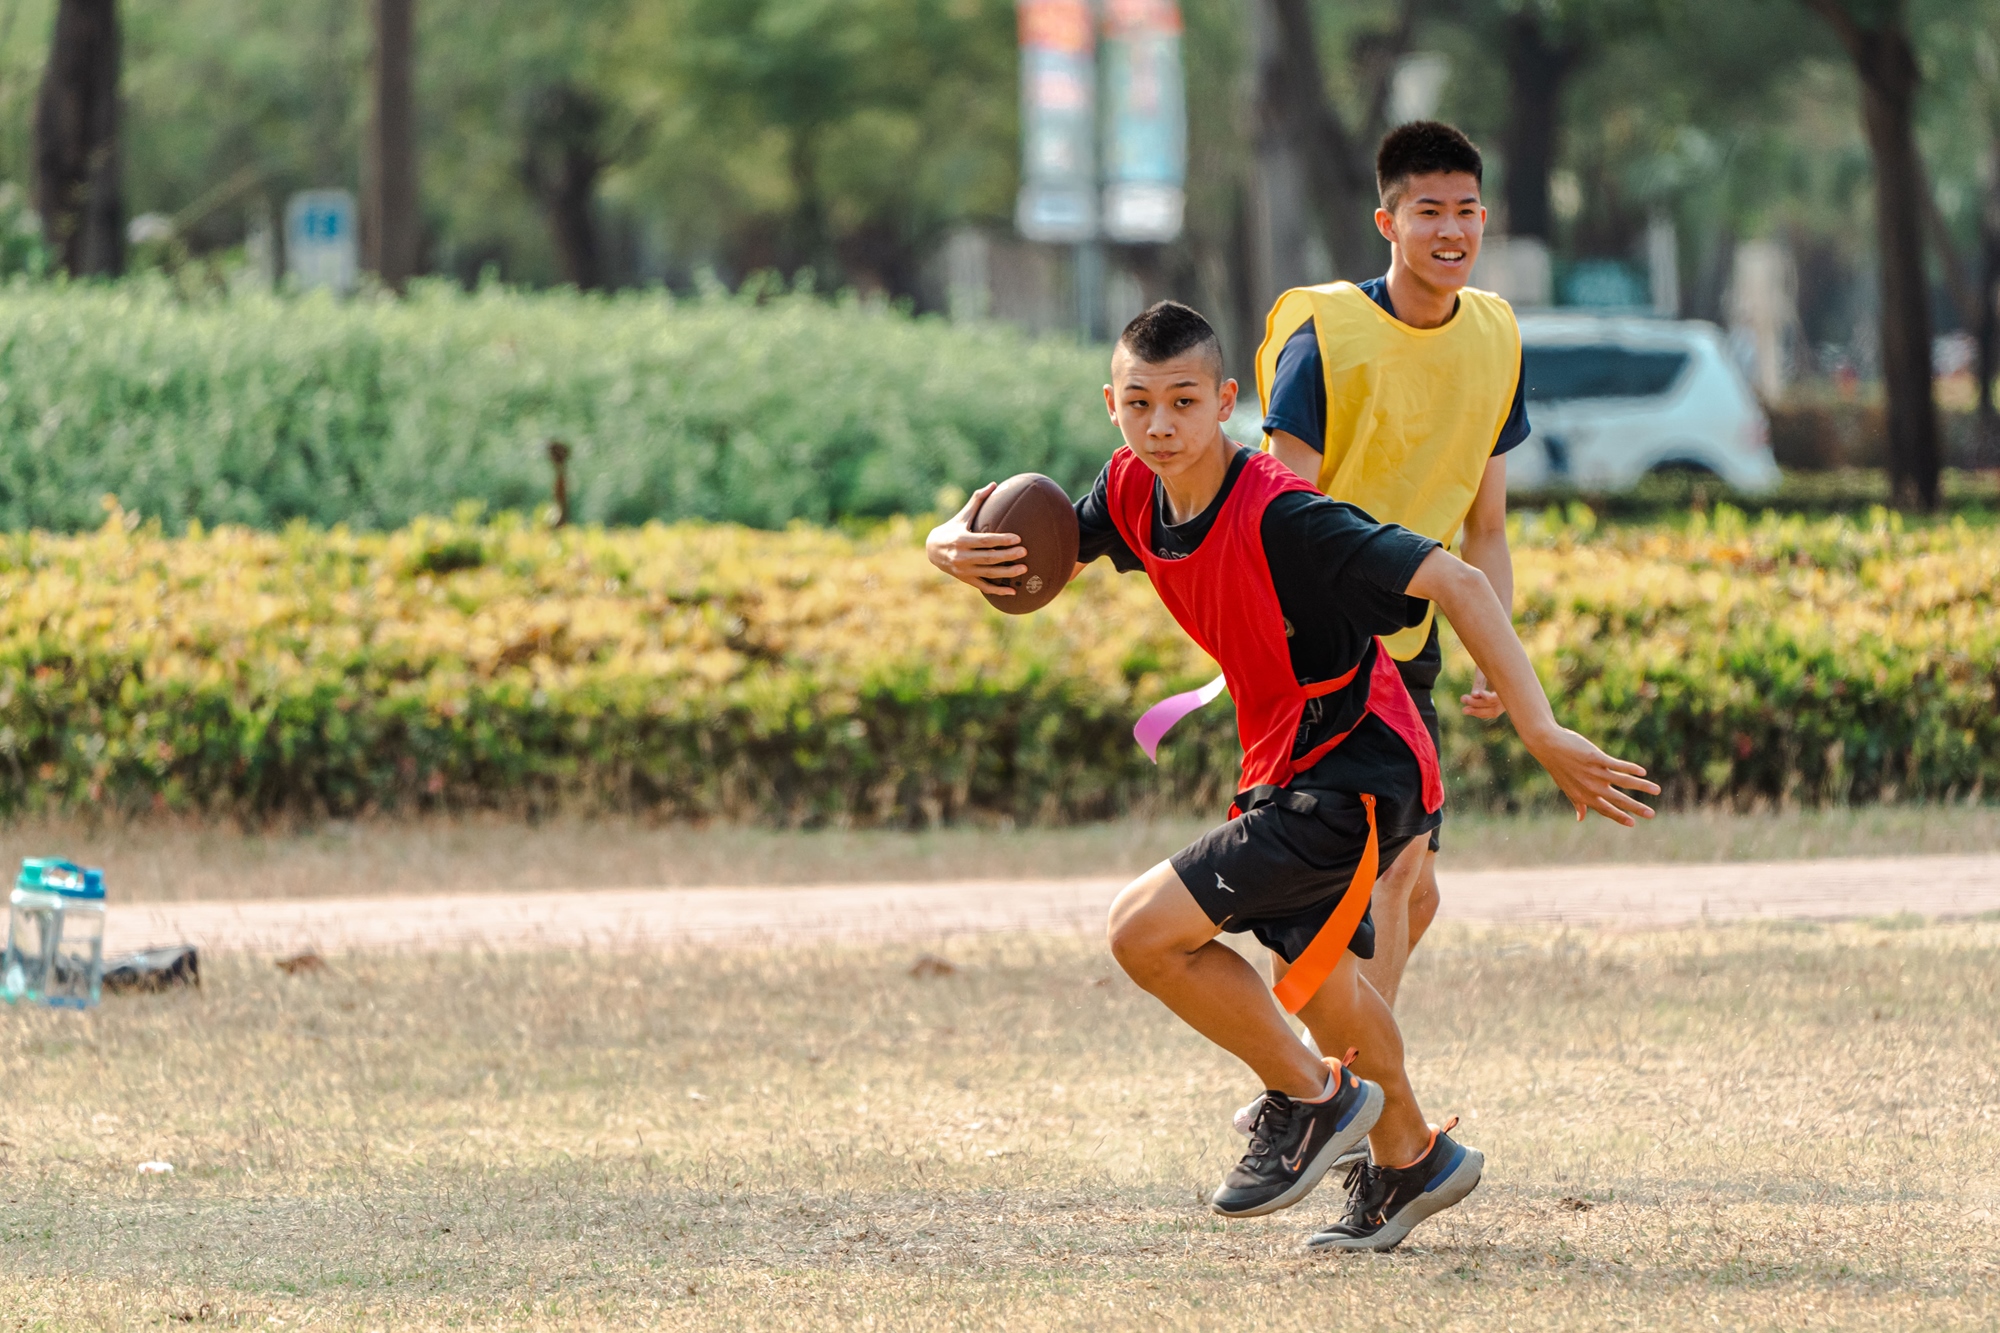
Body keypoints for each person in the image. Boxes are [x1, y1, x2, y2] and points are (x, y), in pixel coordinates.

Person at [926, 301, 1657, 1252]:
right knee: (1322, 994)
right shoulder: (1132, 494)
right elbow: (1044, 547)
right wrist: (947, 540)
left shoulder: (1286, 516)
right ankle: (1411, 1160)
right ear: (1111, 405)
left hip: (1353, 771)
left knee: (1141, 933)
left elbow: (1461, 583)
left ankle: (1314, 1096)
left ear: (1228, 403)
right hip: (1286, 768)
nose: (1161, 425)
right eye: (1140, 403)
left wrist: (1543, 727)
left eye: (1184, 402)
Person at [1256, 121, 1529, 1017]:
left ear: (1484, 218)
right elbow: (1275, 509)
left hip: (1410, 640)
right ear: (1387, 221)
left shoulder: (1494, 337)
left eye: (1466, 211)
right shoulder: (1327, 336)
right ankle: (1346, 1091)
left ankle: (1332, 1080)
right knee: (1382, 872)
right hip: (1325, 647)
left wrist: (1498, 648)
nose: (1451, 231)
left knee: (1416, 892)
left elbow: (1484, 527)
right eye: (1428, 212)